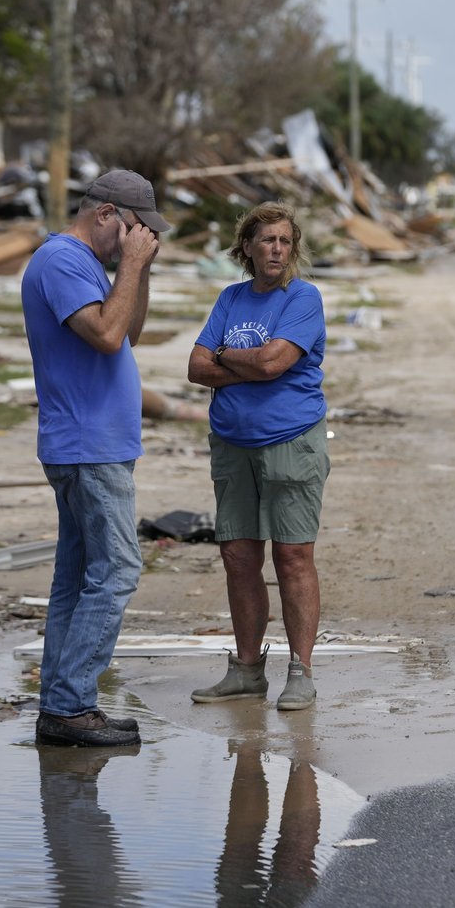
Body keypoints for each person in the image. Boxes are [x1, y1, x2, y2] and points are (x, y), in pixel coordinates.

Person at [22, 168, 169, 746]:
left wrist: (141, 268)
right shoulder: (59, 261)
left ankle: (62, 703)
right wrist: (130, 266)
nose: (137, 241)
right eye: (134, 230)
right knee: (117, 571)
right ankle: (70, 705)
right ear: (106, 214)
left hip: (100, 444)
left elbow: (128, 331)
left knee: (78, 578)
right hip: (87, 446)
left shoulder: (89, 266)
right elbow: (105, 337)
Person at [187, 201, 329, 711]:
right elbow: (195, 368)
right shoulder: (230, 298)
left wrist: (227, 357)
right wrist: (241, 363)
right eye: (267, 240)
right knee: (238, 557)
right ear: (246, 247)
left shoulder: (303, 298)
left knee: (292, 556)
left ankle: (301, 671)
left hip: (291, 441)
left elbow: (273, 363)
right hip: (232, 443)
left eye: (285, 241)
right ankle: (247, 670)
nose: (277, 249)